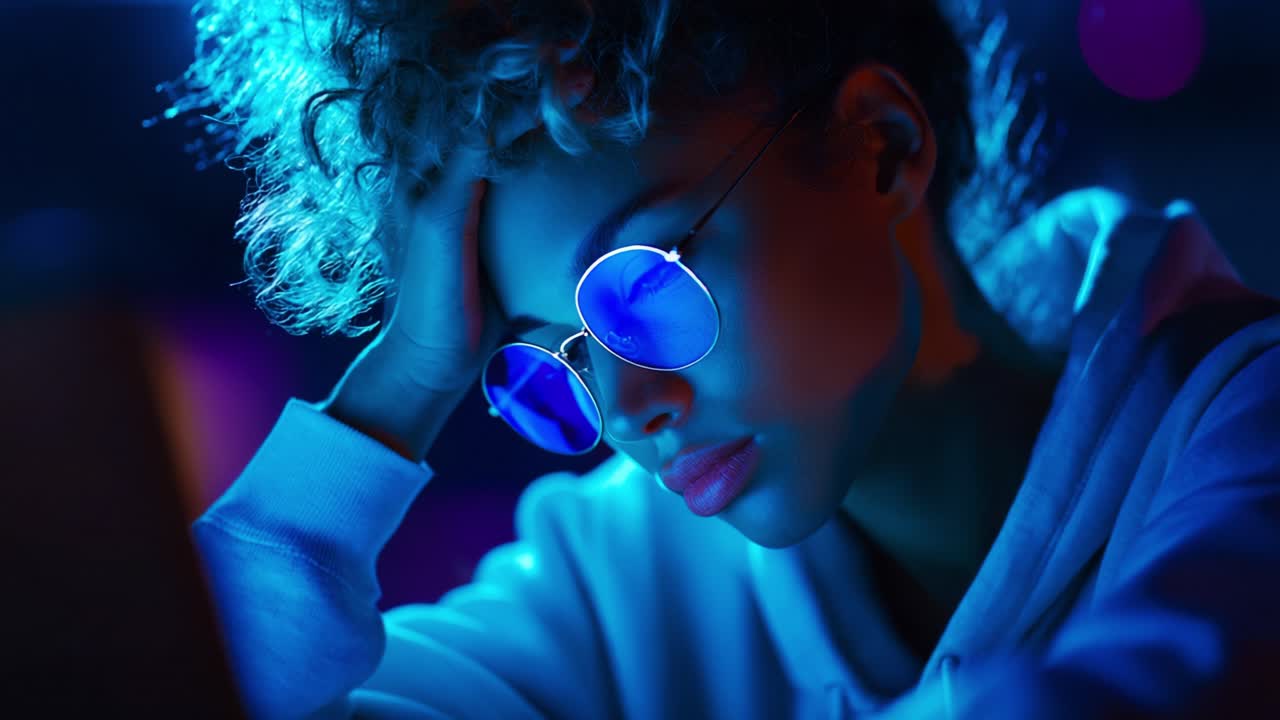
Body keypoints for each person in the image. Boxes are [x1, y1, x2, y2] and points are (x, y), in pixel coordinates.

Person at [161, 0, 1280, 717]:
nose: (628, 414)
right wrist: (403, 377)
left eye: (641, 289)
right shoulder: (615, 576)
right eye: (544, 357)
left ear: (877, 149)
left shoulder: (1244, 427)